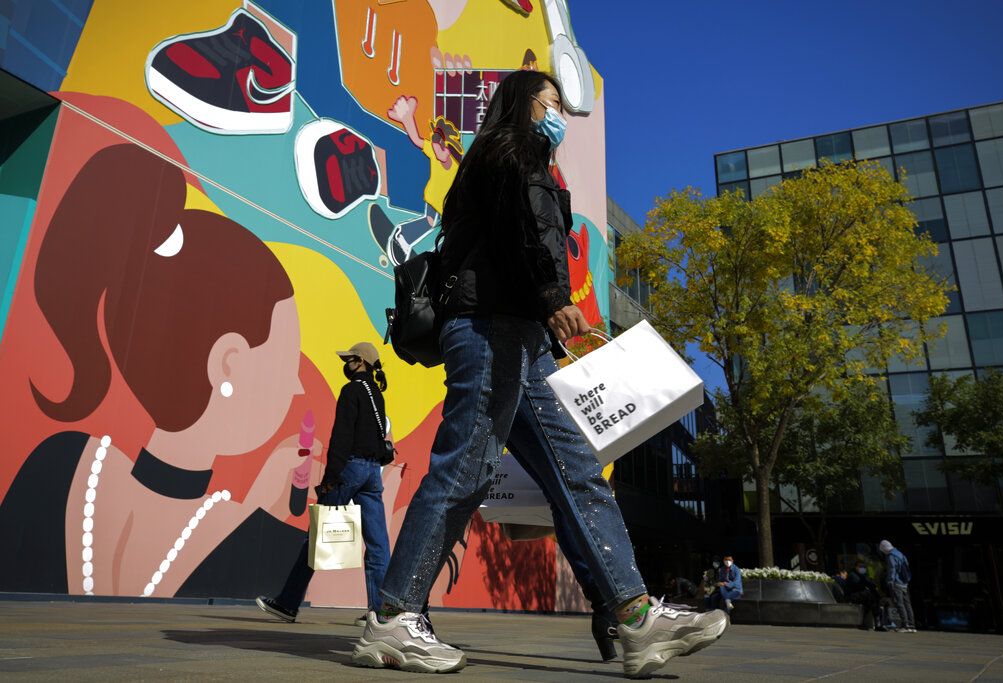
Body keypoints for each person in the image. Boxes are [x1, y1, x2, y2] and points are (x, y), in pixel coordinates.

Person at [350, 70, 728, 678]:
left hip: (522, 338)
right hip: (491, 329)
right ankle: (393, 619)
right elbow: (520, 233)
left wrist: (543, 310)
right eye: (552, 103)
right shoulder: (510, 149)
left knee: (577, 472)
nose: (560, 115)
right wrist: (553, 295)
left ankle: (632, 619)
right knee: (464, 469)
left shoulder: (525, 161)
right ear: (524, 105)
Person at [0, 144, 310, 598]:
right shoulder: (269, 545)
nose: (300, 385)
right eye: (286, 365)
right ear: (229, 362)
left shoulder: (60, 462)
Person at [257, 343, 393, 624]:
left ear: (362, 362)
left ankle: (287, 603)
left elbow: (342, 437)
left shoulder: (351, 391)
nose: (346, 363)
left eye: (350, 359)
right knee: (378, 545)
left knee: (316, 538)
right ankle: (381, 613)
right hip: (371, 473)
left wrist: (331, 478)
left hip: (350, 469)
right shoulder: (376, 393)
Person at [880, 540, 916, 632]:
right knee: (907, 603)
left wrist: (890, 581)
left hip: (897, 582)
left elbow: (892, 569)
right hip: (904, 583)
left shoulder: (891, 556)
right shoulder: (900, 554)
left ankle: (905, 625)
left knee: (900, 604)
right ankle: (911, 625)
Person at [843, 560, 883, 630]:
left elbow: (871, 585)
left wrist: (878, 598)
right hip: (851, 596)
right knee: (868, 595)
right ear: (856, 567)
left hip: (861, 596)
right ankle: (875, 622)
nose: (862, 568)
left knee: (872, 596)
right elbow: (861, 586)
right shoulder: (853, 575)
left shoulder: (863, 576)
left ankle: (877, 623)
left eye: (864, 567)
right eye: (860, 566)